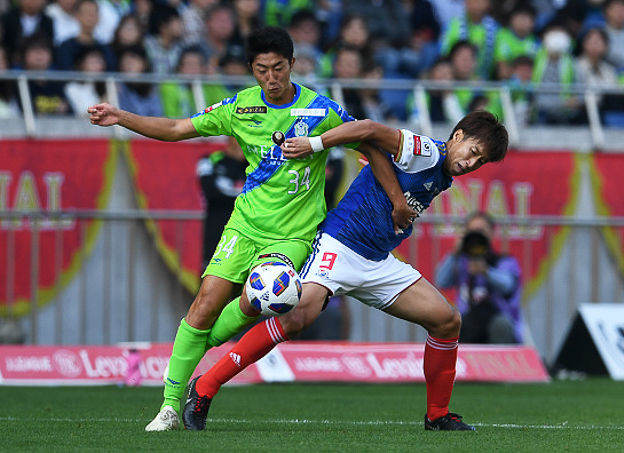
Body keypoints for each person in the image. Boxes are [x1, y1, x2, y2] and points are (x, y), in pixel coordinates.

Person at [88, 26, 411, 432]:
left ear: (292, 65)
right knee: (204, 305)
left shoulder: (319, 110)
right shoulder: (241, 108)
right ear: (251, 70)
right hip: (244, 225)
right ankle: (170, 408)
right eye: (262, 70)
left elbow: (369, 143)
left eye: (279, 68)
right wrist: (121, 117)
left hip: (294, 234)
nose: (271, 78)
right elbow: (175, 130)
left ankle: (192, 356)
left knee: (265, 293)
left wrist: (397, 200)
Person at [180, 110, 509, 432]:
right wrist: (314, 144)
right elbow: (366, 128)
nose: (472, 163)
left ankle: (437, 416)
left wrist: (384, 176)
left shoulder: (443, 172)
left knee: (447, 321)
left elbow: (378, 155)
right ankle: (205, 387)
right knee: (296, 318)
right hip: (339, 245)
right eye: (473, 151)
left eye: (480, 162)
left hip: (377, 261)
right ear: (457, 136)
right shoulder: (424, 151)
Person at [434, 211, 523, 345]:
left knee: (501, 326)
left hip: (497, 319)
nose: (477, 235)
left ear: (492, 233)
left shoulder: (504, 262)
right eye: (472, 231)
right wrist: (454, 253)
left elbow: (507, 285)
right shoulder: (461, 262)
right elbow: (441, 281)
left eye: (481, 230)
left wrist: (486, 271)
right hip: (467, 322)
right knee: (447, 326)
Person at [196, 143, 248, 271]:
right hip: (216, 235)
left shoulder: (255, 163)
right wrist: (243, 195)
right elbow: (211, 193)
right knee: (210, 285)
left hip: (247, 236)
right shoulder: (209, 160)